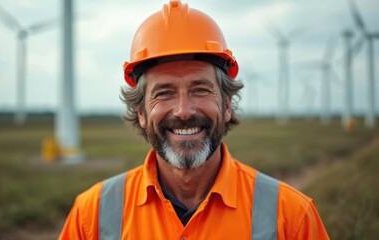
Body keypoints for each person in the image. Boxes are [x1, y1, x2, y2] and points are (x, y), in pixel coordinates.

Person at [59, 1, 329, 239]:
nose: (184, 111)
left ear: (226, 105)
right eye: (164, 93)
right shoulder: (91, 216)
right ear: (141, 112)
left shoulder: (292, 218)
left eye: (200, 89)